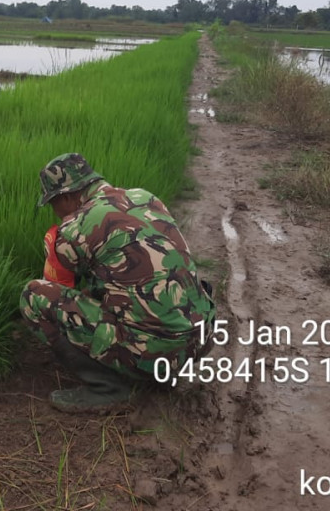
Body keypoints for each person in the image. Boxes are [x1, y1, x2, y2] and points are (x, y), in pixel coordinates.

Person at [21, 153, 216, 413]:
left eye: (53, 204)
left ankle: (110, 387)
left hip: (155, 352)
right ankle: (164, 366)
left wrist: (54, 246)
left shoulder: (76, 228)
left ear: (66, 197)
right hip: (201, 339)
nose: (54, 212)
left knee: (34, 297)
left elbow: (59, 285)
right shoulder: (146, 197)